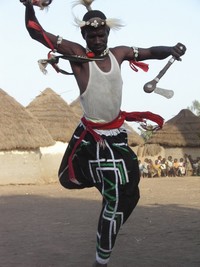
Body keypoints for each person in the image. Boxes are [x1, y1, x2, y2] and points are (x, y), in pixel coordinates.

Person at [20, 1, 186, 266]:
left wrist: (170, 49)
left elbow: (148, 52)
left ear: (108, 34)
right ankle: (101, 258)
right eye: (92, 35)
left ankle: (109, 219)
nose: (97, 39)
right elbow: (35, 31)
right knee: (114, 194)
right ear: (84, 35)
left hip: (116, 135)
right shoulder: (77, 54)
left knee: (132, 193)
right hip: (93, 139)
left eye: (101, 34)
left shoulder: (118, 54)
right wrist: (29, 5)